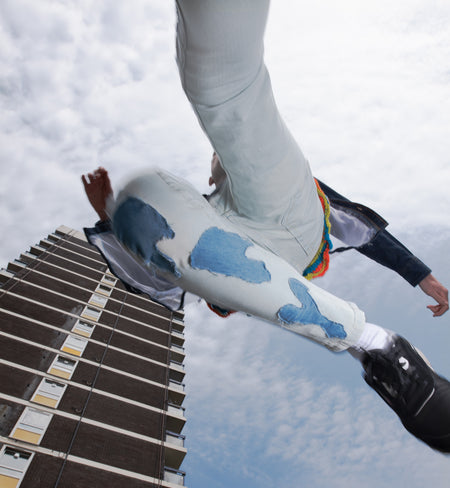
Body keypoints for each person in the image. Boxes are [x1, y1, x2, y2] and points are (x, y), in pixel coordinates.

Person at [83, 0, 449, 452]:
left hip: (292, 221)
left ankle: (375, 345)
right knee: (139, 208)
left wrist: (421, 275)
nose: (218, 162)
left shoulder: (283, 181)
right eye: (217, 162)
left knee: (222, 89)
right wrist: (113, 216)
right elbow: (170, 277)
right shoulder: (211, 206)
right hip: (247, 255)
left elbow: (362, 231)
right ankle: (379, 347)